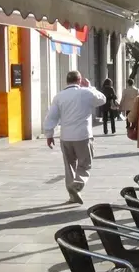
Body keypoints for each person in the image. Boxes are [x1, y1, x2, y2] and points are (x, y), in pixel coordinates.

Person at [44, 71, 106, 204]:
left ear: (67, 81)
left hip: (66, 136)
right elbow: (102, 99)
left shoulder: (59, 96)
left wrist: (49, 135)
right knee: (85, 164)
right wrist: (90, 86)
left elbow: (51, 117)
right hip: (83, 135)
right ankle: (78, 184)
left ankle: (72, 195)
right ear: (79, 80)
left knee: (69, 166)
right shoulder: (86, 92)